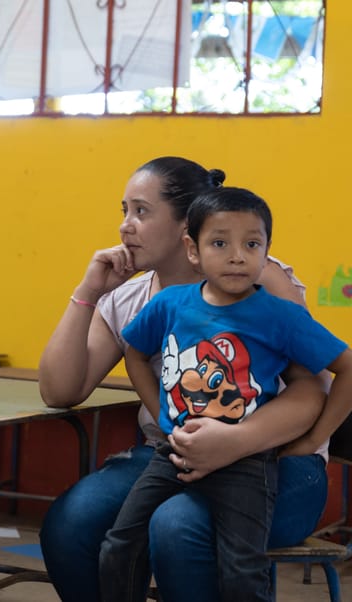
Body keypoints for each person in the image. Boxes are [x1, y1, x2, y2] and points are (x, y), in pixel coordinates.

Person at [38, 156, 328, 602]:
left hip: (273, 460)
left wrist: (236, 441)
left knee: (176, 525)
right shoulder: (130, 296)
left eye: (141, 211)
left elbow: (312, 389)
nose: (125, 227)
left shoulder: (253, 277)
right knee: (70, 524)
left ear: (185, 226)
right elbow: (60, 391)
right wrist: (88, 291)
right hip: (173, 456)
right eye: (124, 211)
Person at [98, 187, 352, 601]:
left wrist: (313, 439)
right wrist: (162, 414)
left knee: (241, 569)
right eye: (220, 243)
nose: (237, 256)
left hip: (247, 464)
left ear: (267, 251)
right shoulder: (170, 304)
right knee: (120, 545)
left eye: (251, 244)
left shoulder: (282, 316)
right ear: (192, 250)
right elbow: (135, 353)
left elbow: (346, 368)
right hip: (174, 454)